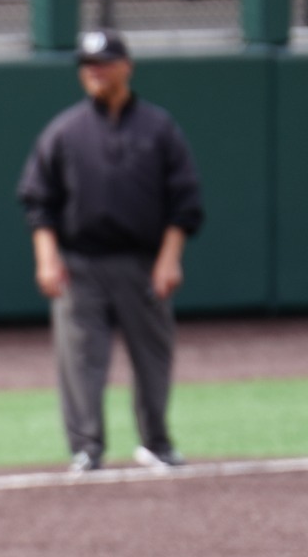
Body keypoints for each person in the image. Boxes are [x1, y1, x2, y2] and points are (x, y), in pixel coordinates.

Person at [18, 28, 204, 474]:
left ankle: (156, 442)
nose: (95, 72)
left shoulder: (158, 128)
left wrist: (169, 257)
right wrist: (47, 258)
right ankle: (86, 448)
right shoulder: (65, 130)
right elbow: (38, 202)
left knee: (153, 357)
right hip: (80, 264)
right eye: (88, 65)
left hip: (142, 263)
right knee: (81, 360)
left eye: (103, 63)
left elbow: (185, 203)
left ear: (127, 66)